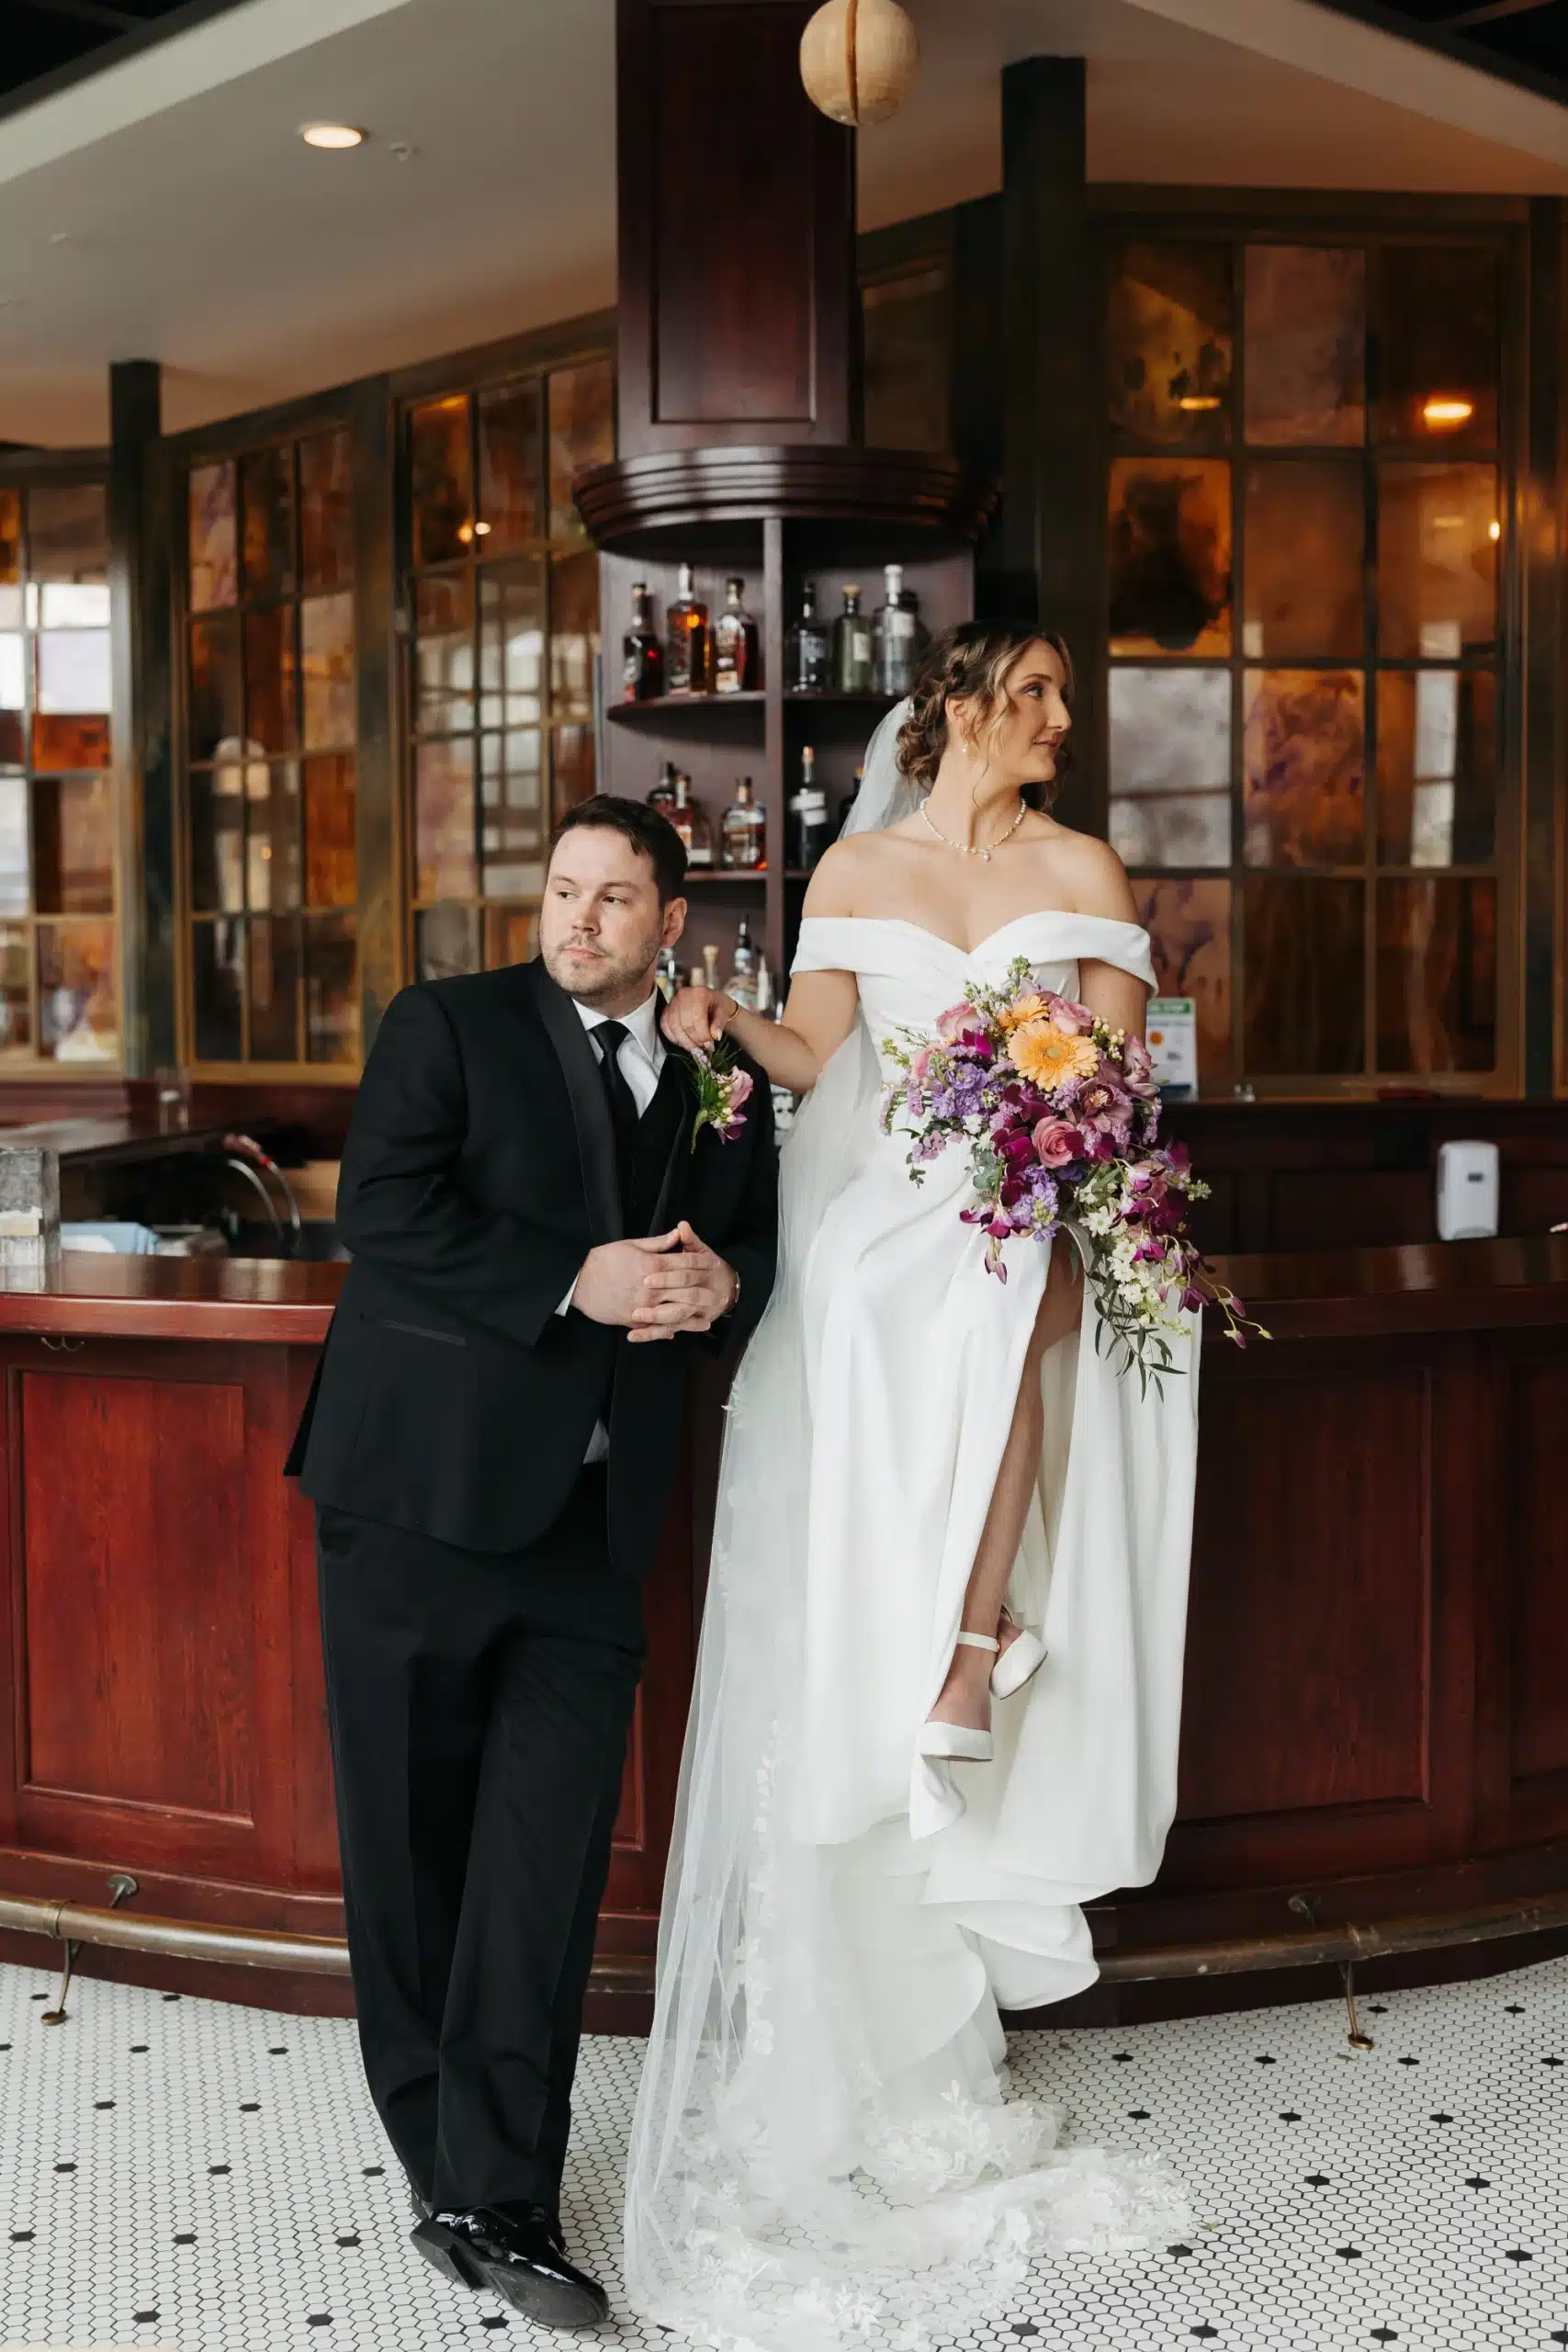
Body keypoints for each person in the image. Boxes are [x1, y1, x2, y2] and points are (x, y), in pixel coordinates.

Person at [625, 622, 1201, 2348]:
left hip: (1023, 1208)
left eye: (1057, 699)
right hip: (892, 1218)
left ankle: (971, 1640)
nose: (1054, 720)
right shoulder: (855, 867)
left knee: (1012, 1259)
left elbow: (1113, 1076)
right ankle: (936, 1647)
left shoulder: (1080, 864)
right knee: (914, 1275)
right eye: (1027, 693)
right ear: (950, 706)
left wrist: (1046, 1130)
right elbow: (817, 1063)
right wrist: (726, 1026)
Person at [286, 797, 777, 2329]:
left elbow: (749, 1255)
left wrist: (716, 1285)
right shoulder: (444, 1024)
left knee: (543, 1864)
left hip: (596, 1515)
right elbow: (383, 1212)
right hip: (416, 1499)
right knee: (413, 1848)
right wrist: (576, 1274)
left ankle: (497, 2185)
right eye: (563, 891)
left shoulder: (718, 1077)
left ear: (669, 919)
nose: (578, 919)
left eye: (615, 898)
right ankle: (456, 2176)